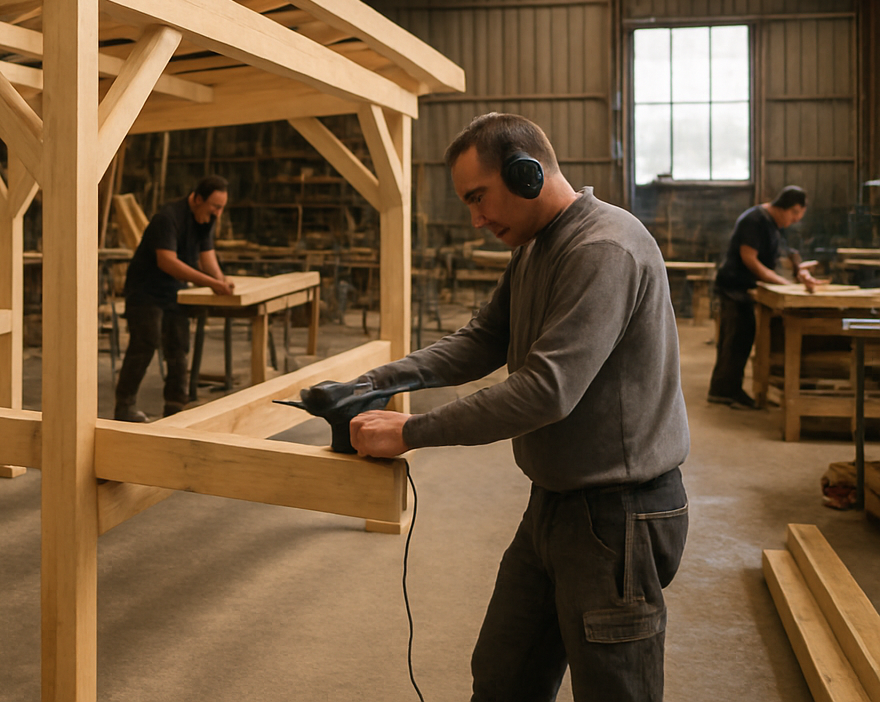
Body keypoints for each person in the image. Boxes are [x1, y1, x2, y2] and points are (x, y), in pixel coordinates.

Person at [345, 113, 690, 702]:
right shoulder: (536, 247)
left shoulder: (602, 248)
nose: (476, 219)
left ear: (527, 174)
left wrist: (412, 430)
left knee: (616, 689)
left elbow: (545, 390)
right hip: (555, 505)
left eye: (479, 198)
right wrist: (376, 380)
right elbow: (483, 339)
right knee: (504, 676)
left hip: (618, 515)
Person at [113, 175, 235, 422]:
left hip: (174, 291)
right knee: (144, 344)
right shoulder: (167, 218)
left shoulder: (205, 218)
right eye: (216, 207)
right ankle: (124, 408)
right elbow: (166, 261)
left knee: (179, 347)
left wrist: (221, 279)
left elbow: (206, 253)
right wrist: (210, 283)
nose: (218, 214)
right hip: (145, 291)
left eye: (221, 207)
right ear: (198, 199)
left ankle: (175, 406)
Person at [709, 186, 820, 409]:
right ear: (785, 207)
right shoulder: (755, 220)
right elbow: (749, 259)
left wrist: (801, 270)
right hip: (734, 287)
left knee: (743, 338)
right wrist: (782, 283)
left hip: (746, 289)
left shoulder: (773, 224)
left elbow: (787, 253)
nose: (796, 219)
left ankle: (731, 390)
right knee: (734, 339)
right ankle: (722, 392)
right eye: (795, 214)